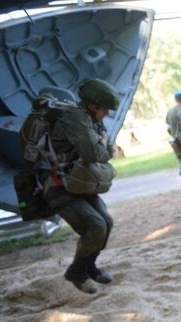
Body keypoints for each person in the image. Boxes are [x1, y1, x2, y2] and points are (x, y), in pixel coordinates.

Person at [43, 79, 119, 294]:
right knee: (95, 227)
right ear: (94, 106)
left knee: (106, 222)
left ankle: (89, 267)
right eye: (105, 110)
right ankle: (76, 272)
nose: (106, 114)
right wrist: (103, 146)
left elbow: (106, 151)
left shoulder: (89, 118)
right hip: (59, 185)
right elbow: (97, 154)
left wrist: (104, 148)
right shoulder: (76, 118)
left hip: (79, 182)